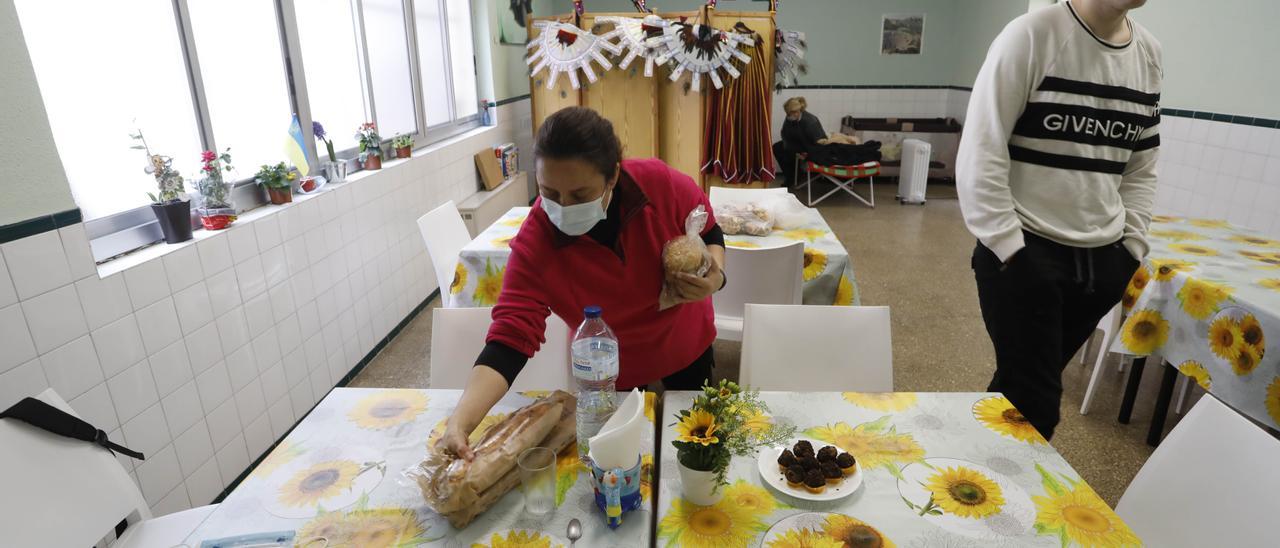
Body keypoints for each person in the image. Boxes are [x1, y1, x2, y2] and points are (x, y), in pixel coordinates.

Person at [440, 107, 727, 459]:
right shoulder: (536, 243)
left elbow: (709, 227)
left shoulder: (657, 183)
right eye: (549, 192)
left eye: (579, 194)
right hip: (612, 370)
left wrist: (716, 275)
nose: (563, 207)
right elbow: (509, 339)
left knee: (695, 451)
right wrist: (462, 420)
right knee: (623, 462)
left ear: (612, 178)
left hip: (685, 343)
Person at [958, 0, 1161, 440]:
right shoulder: (1030, 36)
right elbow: (981, 152)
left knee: (1016, 394)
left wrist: (1130, 250)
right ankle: (1003, 501)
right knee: (1036, 406)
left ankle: (970, 479)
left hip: (1103, 264)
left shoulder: (1148, 53)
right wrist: (1012, 251)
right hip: (1025, 255)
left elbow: (1141, 166)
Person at [773, 97, 827, 186]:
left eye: (790, 114)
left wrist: (792, 148)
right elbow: (784, 132)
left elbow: (819, 141)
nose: (788, 116)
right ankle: (792, 175)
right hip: (796, 143)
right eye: (788, 114)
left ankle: (793, 178)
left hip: (810, 146)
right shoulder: (790, 117)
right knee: (777, 147)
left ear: (797, 112)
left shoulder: (810, 121)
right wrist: (787, 144)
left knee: (789, 152)